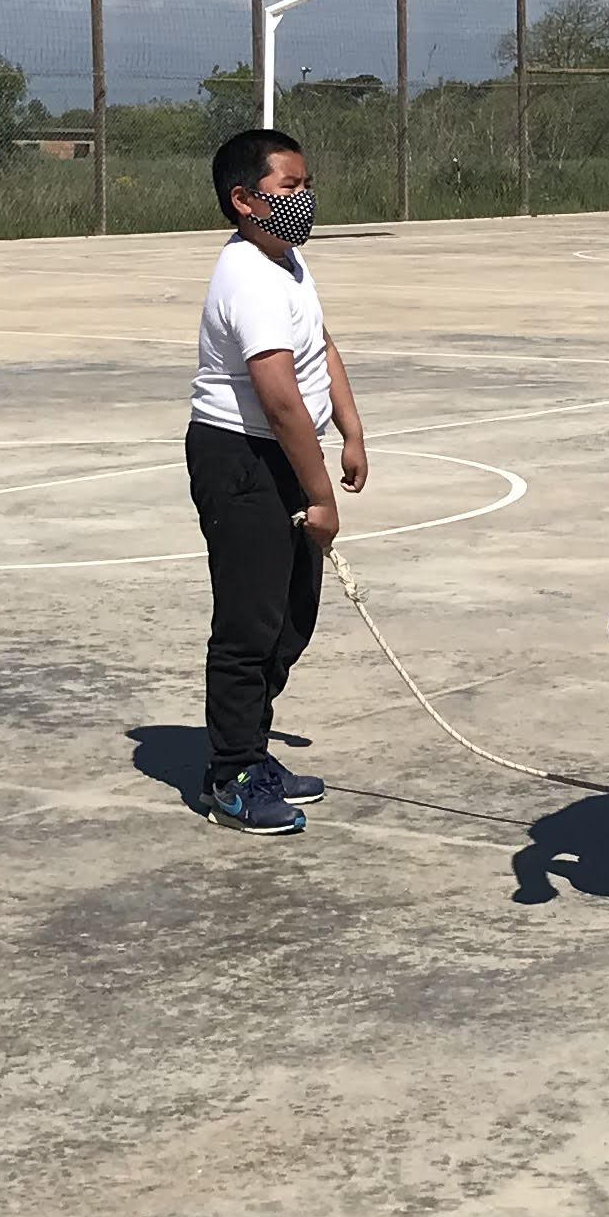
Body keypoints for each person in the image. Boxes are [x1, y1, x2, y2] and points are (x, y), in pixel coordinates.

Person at [187, 128, 366, 833]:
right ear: (244, 199)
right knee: (249, 624)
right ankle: (231, 776)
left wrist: (351, 429)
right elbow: (280, 397)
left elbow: (320, 345)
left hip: (286, 454)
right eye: (289, 187)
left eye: (306, 185)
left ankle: (253, 751)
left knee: (291, 619)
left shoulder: (286, 261)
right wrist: (320, 496)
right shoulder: (249, 276)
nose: (304, 198)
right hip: (243, 459)